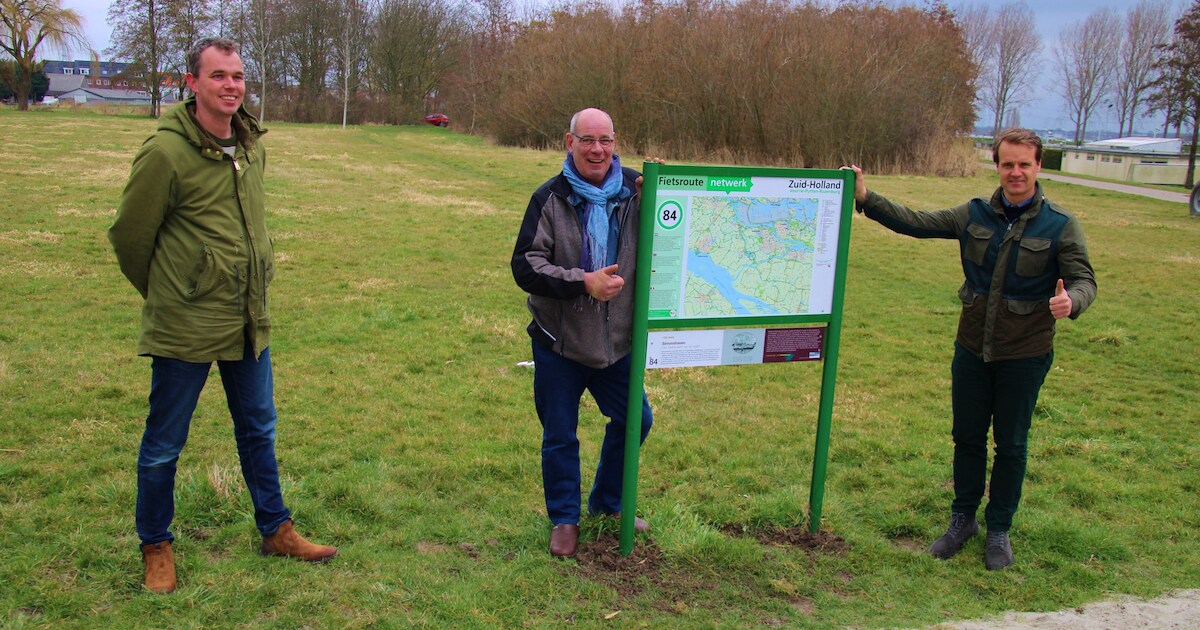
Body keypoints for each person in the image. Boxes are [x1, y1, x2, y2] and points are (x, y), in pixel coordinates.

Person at [108, 37, 336, 594]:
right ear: (192, 83)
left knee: (259, 429)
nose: (231, 86)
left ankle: (276, 530)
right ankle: (156, 546)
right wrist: (171, 293)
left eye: (237, 75)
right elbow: (129, 237)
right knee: (165, 442)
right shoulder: (165, 152)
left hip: (248, 317)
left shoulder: (250, 145)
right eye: (218, 76)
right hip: (185, 324)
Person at [848, 128, 1096, 570]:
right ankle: (962, 520)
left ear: (1038, 166)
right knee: (966, 437)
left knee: (1011, 444)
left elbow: (1084, 280)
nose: (1016, 172)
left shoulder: (1060, 224)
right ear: (996, 166)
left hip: (1025, 355)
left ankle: (999, 528)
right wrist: (867, 198)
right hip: (971, 350)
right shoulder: (974, 213)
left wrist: (1071, 302)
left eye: (1024, 164)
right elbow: (917, 222)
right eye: (1007, 164)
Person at [511, 107, 654, 558]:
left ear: (615, 143)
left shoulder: (637, 190)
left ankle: (608, 503)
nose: (597, 149)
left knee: (636, 420)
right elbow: (525, 266)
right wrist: (583, 281)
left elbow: (675, 232)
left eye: (605, 140)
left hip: (618, 344)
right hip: (560, 342)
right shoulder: (549, 198)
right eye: (587, 140)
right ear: (568, 142)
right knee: (560, 433)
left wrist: (662, 198)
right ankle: (564, 519)